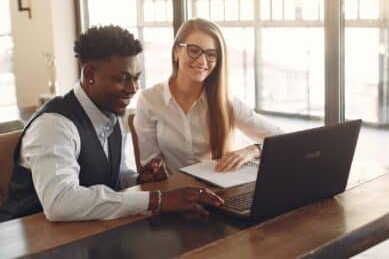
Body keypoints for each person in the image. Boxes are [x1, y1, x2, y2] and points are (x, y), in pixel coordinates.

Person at [0, 25, 223, 222]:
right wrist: (157, 199)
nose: (133, 89)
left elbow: (112, 177)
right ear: (90, 75)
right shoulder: (53, 125)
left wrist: (137, 179)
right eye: (122, 78)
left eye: (136, 78)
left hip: (83, 233)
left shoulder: (110, 114)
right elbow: (60, 202)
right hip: (26, 240)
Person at [134, 18, 282, 176]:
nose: (202, 61)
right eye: (194, 50)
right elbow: (149, 164)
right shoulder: (149, 100)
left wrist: (252, 150)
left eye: (211, 54)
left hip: (218, 192)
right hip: (174, 194)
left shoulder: (225, 101)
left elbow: (282, 139)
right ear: (177, 51)